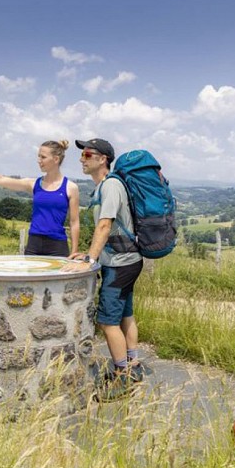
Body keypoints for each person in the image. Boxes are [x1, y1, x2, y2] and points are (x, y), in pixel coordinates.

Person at [63, 138, 144, 401]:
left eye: (87, 154)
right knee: (125, 315)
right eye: (82, 154)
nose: (82, 159)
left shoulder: (109, 186)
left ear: (103, 159)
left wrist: (90, 260)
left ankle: (123, 377)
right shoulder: (106, 186)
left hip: (119, 265)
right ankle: (133, 365)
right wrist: (88, 254)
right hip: (129, 260)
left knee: (107, 322)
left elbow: (105, 226)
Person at [0, 140, 80, 256]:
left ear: (56, 159)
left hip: (57, 247)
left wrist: (74, 252)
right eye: (38, 156)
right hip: (33, 244)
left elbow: (74, 223)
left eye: (43, 157)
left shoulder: (70, 188)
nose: (38, 160)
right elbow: (0, 179)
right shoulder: (34, 184)